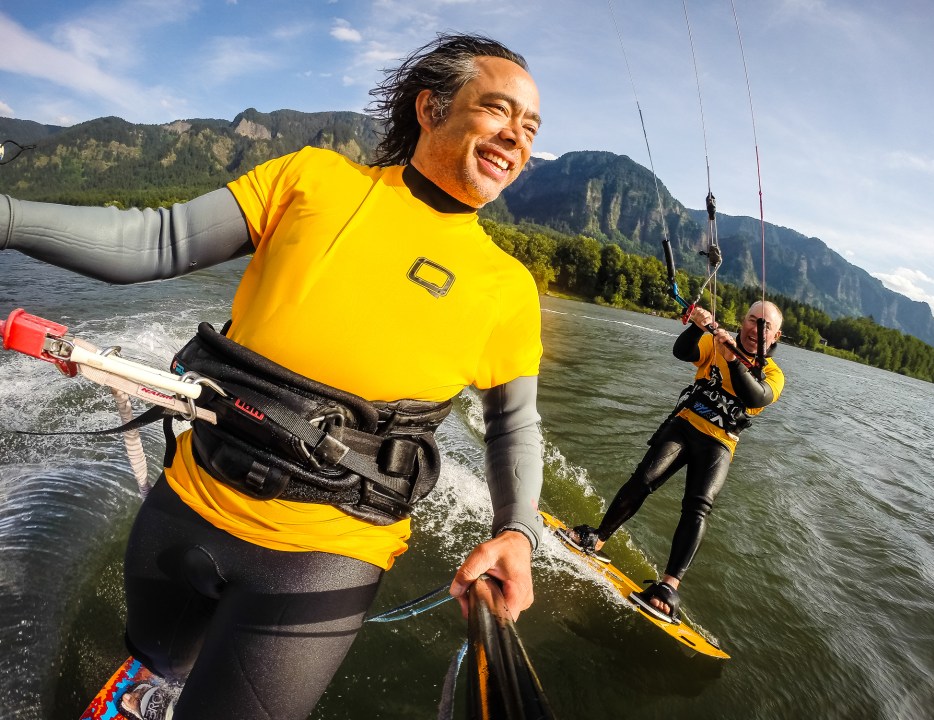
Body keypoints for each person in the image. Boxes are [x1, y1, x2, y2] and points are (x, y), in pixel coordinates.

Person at [0, 33, 545, 720]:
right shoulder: (314, 178)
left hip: (320, 561)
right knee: (157, 657)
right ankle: (157, 688)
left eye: (529, 127)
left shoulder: (507, 288)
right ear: (431, 108)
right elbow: (158, 239)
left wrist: (516, 532)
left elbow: (512, 424)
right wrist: (9, 218)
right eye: (498, 111)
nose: (515, 137)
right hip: (184, 512)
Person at [564, 302, 785, 621]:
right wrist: (697, 326)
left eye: (766, 326)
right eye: (753, 320)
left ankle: (668, 586)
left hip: (720, 443)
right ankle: (597, 539)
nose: (756, 329)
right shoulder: (716, 342)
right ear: (743, 320)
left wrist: (733, 360)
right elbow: (682, 352)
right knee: (643, 479)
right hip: (684, 425)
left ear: (775, 336)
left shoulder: (773, 375)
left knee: (698, 507)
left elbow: (754, 397)